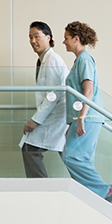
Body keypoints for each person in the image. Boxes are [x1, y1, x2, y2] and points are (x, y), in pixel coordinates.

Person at [62, 21, 112, 202]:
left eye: (66, 38)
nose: (64, 42)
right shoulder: (80, 60)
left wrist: (81, 118)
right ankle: (91, 196)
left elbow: (89, 91)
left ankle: (103, 191)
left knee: (71, 157)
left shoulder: (85, 59)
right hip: (85, 117)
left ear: (76, 39)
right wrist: (74, 121)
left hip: (88, 117)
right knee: (82, 159)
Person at [20, 21, 70, 178]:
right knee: (69, 156)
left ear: (48, 37)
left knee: (30, 148)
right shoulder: (44, 60)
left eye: (36, 36)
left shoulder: (52, 60)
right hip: (56, 114)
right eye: (30, 37)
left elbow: (53, 95)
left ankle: (41, 189)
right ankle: (97, 191)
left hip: (58, 114)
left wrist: (35, 120)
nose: (33, 41)